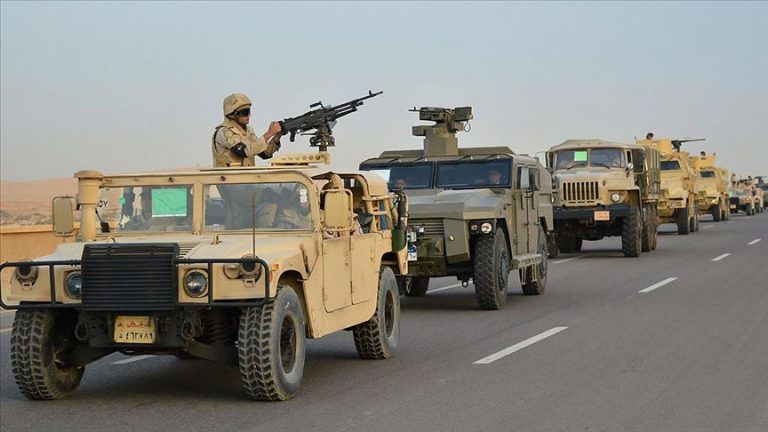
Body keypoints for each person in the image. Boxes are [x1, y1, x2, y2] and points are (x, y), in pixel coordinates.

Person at [212, 93, 283, 167]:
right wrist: (270, 133)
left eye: (248, 112)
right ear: (232, 115)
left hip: (247, 174)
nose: (248, 116)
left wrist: (276, 137)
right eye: (244, 112)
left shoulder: (248, 131)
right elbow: (243, 151)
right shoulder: (224, 132)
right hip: (229, 174)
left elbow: (265, 154)